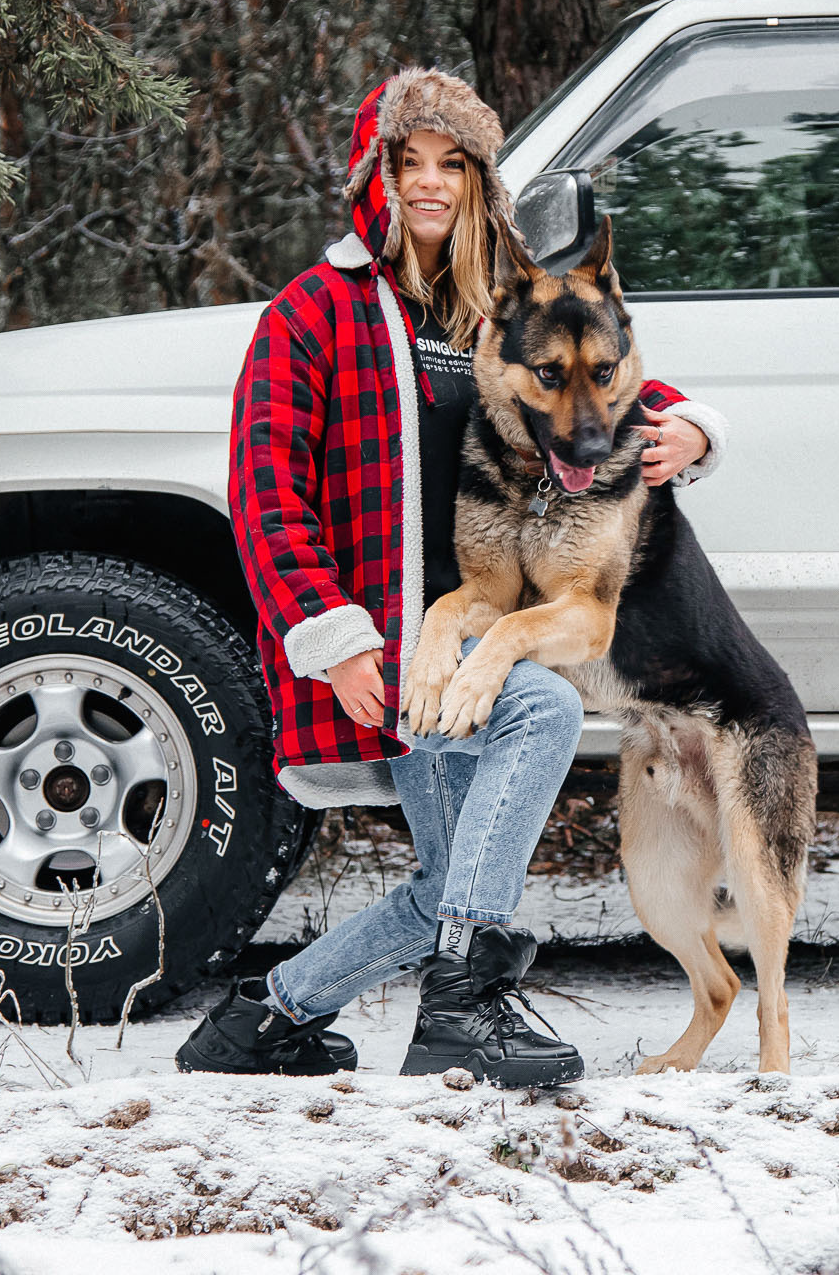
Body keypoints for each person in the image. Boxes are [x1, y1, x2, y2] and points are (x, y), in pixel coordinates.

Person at [178, 67, 727, 1086]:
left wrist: (691, 425)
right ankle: (463, 1005)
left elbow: (600, 363)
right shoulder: (314, 312)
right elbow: (265, 495)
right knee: (544, 716)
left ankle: (262, 1021)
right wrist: (332, 637)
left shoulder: (498, 296)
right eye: (407, 162)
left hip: (484, 612)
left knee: (447, 888)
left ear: (478, 179)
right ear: (371, 177)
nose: (429, 184)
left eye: (453, 163)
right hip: (395, 639)